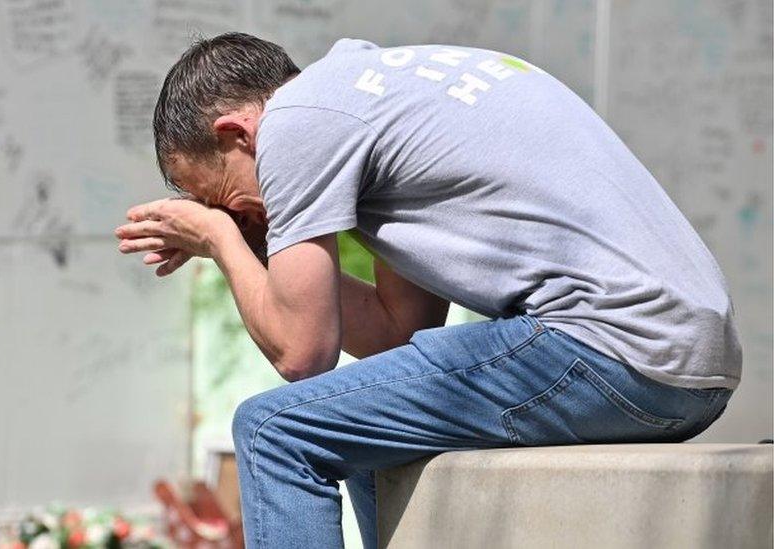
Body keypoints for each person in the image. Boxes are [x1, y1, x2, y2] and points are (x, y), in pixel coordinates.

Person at [115, 33, 741, 548]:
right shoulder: (379, 99)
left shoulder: (296, 122)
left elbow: (302, 355)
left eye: (217, 196)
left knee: (273, 431)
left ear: (237, 133)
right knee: (365, 429)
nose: (246, 217)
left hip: (612, 348)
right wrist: (249, 240)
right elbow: (391, 335)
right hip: (685, 367)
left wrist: (222, 242)